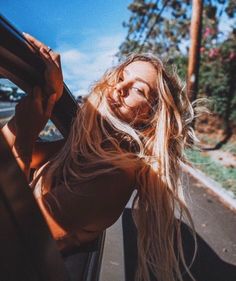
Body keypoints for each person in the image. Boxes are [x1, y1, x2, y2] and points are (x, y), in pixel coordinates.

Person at [2, 33, 197, 281]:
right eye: (120, 76)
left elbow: (14, 235)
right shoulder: (95, 148)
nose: (120, 88)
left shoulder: (113, 176)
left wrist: (26, 136)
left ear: (150, 118)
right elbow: (12, 154)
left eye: (138, 89)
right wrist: (51, 97)